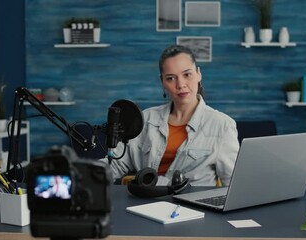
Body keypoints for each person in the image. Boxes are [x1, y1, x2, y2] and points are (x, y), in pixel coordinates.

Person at [100, 44, 239, 187]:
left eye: (187, 74)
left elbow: (234, 186)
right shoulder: (145, 119)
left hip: (193, 207)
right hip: (144, 205)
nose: (180, 84)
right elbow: (115, 165)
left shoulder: (223, 126)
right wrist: (83, 173)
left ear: (198, 74)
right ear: (162, 82)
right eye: (171, 78)